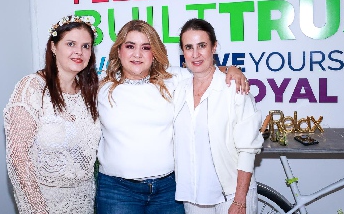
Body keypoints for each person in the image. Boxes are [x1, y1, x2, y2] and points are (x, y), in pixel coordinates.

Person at [95, 20, 250, 214]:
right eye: (130, 46)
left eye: (145, 47)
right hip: (117, 191)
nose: (137, 54)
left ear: (154, 54)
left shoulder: (172, 79)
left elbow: (205, 69)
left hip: (168, 191)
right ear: (119, 51)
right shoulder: (100, 86)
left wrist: (231, 70)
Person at [3, 15, 101, 214]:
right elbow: (18, 156)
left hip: (85, 202)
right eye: (71, 43)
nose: (79, 52)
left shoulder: (90, 92)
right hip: (44, 203)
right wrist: (38, 209)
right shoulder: (32, 87)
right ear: (54, 47)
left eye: (86, 46)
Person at [173, 18, 264, 214]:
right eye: (189, 47)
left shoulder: (235, 88)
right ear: (182, 52)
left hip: (231, 196)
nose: (195, 54)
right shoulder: (178, 88)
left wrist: (240, 201)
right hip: (193, 197)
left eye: (202, 46)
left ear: (214, 47)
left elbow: (248, 150)